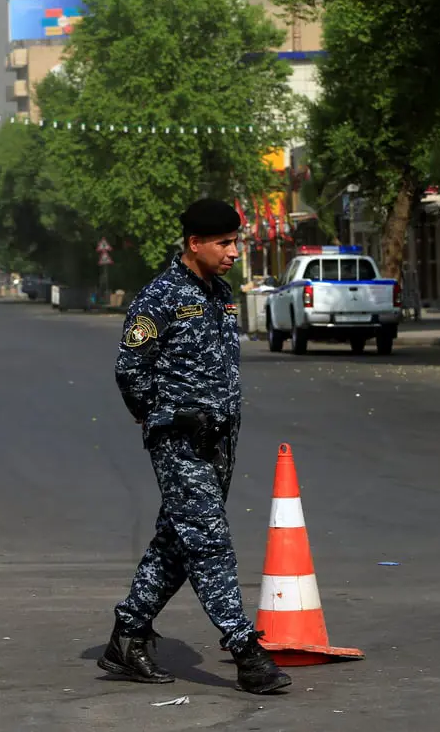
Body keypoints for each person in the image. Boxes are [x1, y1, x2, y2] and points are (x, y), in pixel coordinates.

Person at [99, 197, 291, 695]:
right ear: (195, 243)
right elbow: (129, 369)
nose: (233, 252)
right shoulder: (159, 297)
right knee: (207, 540)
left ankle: (128, 635)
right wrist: (161, 416)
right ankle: (246, 650)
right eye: (224, 243)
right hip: (179, 441)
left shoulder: (221, 293)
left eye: (235, 242)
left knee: (177, 541)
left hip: (219, 440)